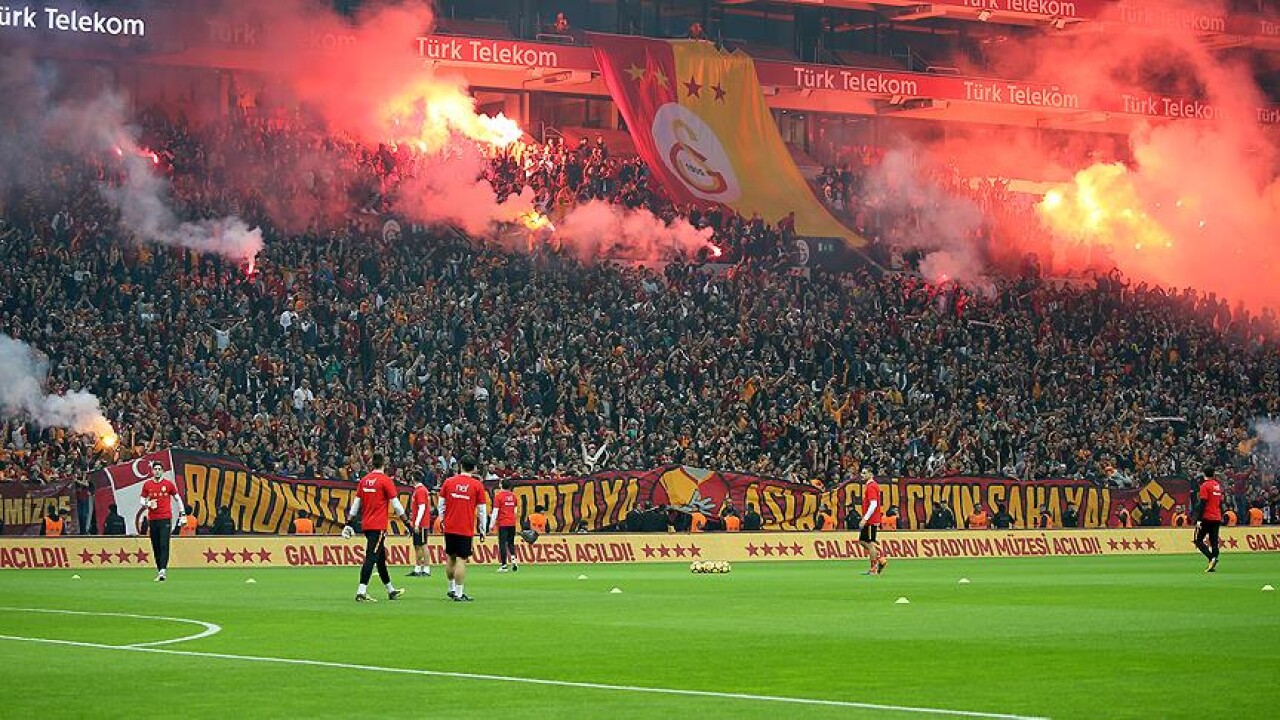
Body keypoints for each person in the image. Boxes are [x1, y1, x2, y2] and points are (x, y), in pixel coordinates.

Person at [342, 454, 409, 602]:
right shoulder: (385, 480)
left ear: (372, 464)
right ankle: (361, 592)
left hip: (366, 525)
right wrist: (407, 522)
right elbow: (396, 505)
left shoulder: (364, 480)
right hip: (378, 526)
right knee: (371, 557)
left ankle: (391, 590)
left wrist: (349, 522)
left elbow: (356, 503)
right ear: (384, 464)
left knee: (380, 559)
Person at [438, 457, 489, 602]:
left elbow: (441, 504)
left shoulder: (448, 482)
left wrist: (442, 519)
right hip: (465, 527)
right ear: (474, 468)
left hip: (450, 526)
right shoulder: (477, 485)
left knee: (450, 557)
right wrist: (482, 529)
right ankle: (459, 593)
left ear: (460, 466)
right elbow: (482, 510)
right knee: (461, 559)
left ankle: (451, 588)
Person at [141, 461, 185, 582]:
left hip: (165, 518)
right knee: (155, 545)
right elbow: (142, 499)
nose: (157, 471)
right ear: (152, 471)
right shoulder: (147, 484)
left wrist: (183, 513)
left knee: (164, 544)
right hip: (153, 519)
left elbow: (178, 498)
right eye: (155, 469)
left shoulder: (168, 484)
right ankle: (159, 569)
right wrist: (148, 503)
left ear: (163, 471)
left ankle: (163, 571)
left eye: (159, 469)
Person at [1193, 467, 1224, 573]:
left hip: (1207, 517)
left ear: (1204, 474)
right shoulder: (1217, 486)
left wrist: (1198, 519)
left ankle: (1211, 558)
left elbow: (1203, 503)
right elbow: (1219, 502)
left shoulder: (1205, 486)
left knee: (1198, 540)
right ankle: (1213, 560)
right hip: (1217, 516)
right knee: (1214, 541)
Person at [859, 470, 887, 575]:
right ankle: (880, 558)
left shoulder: (871, 486)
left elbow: (873, 504)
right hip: (871, 520)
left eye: (864, 473)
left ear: (871, 474)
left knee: (870, 544)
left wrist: (865, 519)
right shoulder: (871, 486)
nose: (862, 475)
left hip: (871, 520)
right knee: (862, 541)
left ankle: (874, 568)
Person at [489, 478, 519, 572]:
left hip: (503, 523)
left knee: (502, 544)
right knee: (511, 543)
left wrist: (491, 524)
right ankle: (514, 560)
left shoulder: (498, 496)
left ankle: (504, 565)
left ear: (501, 485)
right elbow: (515, 510)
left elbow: (495, 511)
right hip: (512, 523)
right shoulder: (513, 496)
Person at [407, 477, 432, 577]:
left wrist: (417, 523)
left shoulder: (421, 490)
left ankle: (426, 569)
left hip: (422, 524)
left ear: (413, 479)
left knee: (423, 545)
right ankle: (417, 568)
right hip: (418, 523)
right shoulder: (419, 490)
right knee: (417, 545)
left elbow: (422, 507)